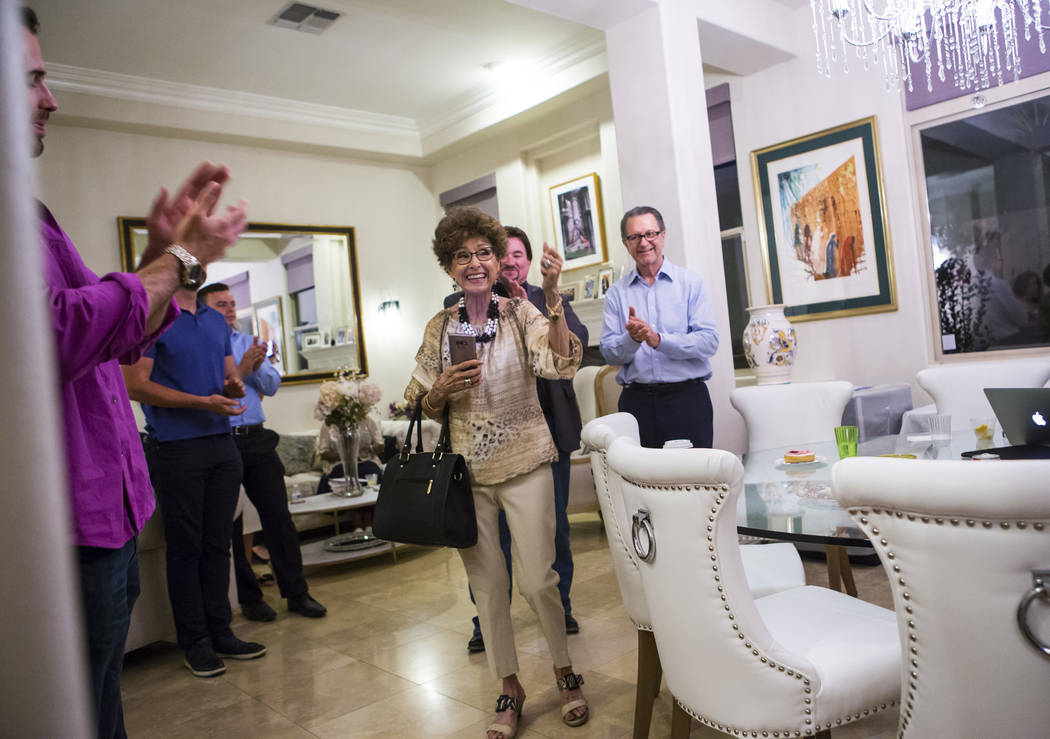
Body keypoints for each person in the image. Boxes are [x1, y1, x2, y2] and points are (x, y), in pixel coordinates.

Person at [23, 5, 247, 733]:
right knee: (80, 711)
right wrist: (174, 262)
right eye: (30, 80)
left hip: (109, 506)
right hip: (70, 515)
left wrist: (160, 264)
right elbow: (59, 333)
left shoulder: (32, 213)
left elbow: (114, 338)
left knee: (100, 702)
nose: (50, 97)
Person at [406, 207, 587, 739]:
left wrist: (552, 295)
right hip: (468, 475)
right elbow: (415, 399)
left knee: (537, 580)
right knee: (487, 588)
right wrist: (440, 391)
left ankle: (563, 669)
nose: (475, 263)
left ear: (497, 260)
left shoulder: (520, 313)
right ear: (450, 267)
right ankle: (509, 687)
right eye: (462, 255)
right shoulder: (439, 327)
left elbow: (560, 364)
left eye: (484, 252)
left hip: (527, 461)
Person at [444, 226, 588, 652]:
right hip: (485, 444)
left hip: (550, 432)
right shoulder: (457, 309)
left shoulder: (543, 299)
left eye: (517, 255)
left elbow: (572, 353)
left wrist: (539, 302)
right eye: (501, 255)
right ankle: (486, 618)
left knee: (554, 527)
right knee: (490, 540)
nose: (509, 263)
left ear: (528, 261)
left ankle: (559, 606)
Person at [122, 286, 266, 678]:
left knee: (219, 546)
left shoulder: (215, 320)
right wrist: (201, 402)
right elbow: (134, 384)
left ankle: (222, 633)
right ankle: (195, 642)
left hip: (221, 445)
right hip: (176, 447)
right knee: (186, 549)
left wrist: (236, 382)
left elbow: (226, 378)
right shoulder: (155, 317)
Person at [198, 284, 327, 621]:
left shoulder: (248, 342)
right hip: (220, 440)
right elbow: (205, 392)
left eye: (232, 303)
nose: (229, 309)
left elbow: (270, 385)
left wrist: (253, 365)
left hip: (256, 439)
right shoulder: (200, 347)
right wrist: (237, 367)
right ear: (202, 310)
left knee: (278, 519)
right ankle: (251, 599)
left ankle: (297, 593)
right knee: (231, 526)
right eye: (220, 304)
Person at [600, 205, 719, 448]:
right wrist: (631, 339)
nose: (643, 243)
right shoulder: (616, 294)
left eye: (650, 234)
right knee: (642, 483)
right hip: (637, 405)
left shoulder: (691, 284)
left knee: (694, 480)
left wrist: (658, 340)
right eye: (634, 237)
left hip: (687, 401)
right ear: (626, 243)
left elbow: (708, 342)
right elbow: (609, 352)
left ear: (663, 235)